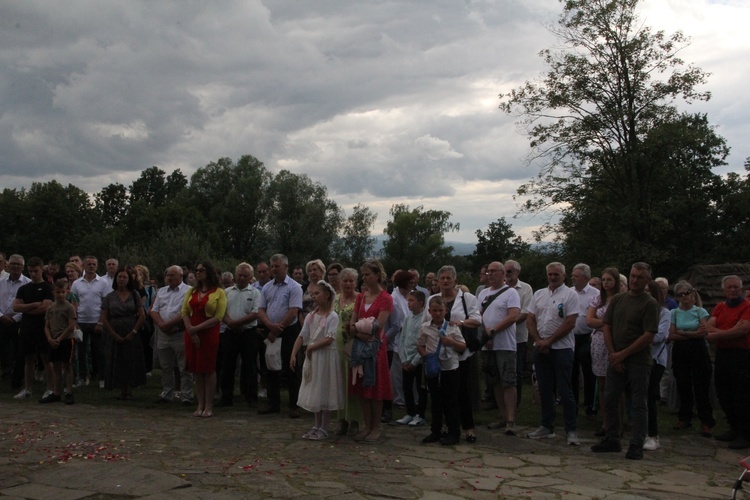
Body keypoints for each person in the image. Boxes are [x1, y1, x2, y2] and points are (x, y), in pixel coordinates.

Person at [591, 262, 660, 460]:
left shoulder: (649, 303)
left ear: (647, 280)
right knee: (610, 398)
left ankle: (636, 443)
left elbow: (648, 335)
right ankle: (612, 438)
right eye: (633, 276)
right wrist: (614, 354)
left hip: (638, 359)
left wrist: (624, 354)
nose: (635, 280)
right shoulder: (619, 299)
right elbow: (607, 326)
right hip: (616, 357)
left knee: (639, 402)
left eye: (640, 277)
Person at [526, 262, 580, 445]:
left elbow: (570, 322)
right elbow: (531, 318)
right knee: (544, 388)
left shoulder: (570, 295)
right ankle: (547, 426)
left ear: (563, 276)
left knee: (565, 390)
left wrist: (549, 341)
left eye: (556, 274)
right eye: (550, 274)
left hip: (562, 348)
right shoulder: (539, 294)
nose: (552, 277)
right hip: (541, 347)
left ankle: (571, 429)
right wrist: (538, 339)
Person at [432, 265, 482, 443]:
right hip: (440, 353)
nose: (445, 281)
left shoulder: (467, 298)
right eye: (442, 278)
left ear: (455, 280)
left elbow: (477, 320)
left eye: (448, 278)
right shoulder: (433, 299)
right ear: (437, 281)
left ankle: (468, 428)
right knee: (444, 391)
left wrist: (459, 323)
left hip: (461, 351)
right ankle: (448, 425)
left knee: (462, 391)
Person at [291, 280, 344, 440]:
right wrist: (293, 353)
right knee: (315, 389)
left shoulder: (332, 316)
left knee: (325, 389)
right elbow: (302, 335)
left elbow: (329, 338)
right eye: (313, 294)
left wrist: (312, 347)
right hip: (314, 358)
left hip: (325, 357)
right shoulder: (311, 316)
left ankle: (324, 427)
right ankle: (316, 424)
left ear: (327, 295)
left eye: (317, 294)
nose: (314, 297)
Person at [347, 259, 393, 443]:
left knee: (375, 387)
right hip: (360, 345)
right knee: (362, 388)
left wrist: (357, 330)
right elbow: (353, 320)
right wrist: (356, 331)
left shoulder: (386, 298)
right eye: (363, 275)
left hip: (375, 348)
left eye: (367, 275)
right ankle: (367, 425)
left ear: (377, 276)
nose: (364, 278)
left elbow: (378, 325)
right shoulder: (360, 297)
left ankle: (377, 427)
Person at [706, 275, 750, 450]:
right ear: (724, 290)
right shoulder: (719, 307)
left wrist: (717, 335)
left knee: (742, 394)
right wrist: (731, 331)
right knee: (724, 392)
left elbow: (744, 329)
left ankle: (745, 433)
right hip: (723, 354)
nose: (733, 290)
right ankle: (734, 428)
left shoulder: (747, 306)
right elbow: (707, 327)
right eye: (729, 287)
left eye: (736, 288)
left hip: (742, 355)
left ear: (741, 289)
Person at [258, 254, 303, 418]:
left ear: (286, 267)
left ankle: (294, 404)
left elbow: (294, 311)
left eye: (277, 266)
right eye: (272, 266)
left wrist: (278, 328)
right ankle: (273, 402)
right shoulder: (267, 287)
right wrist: (270, 325)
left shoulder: (294, 287)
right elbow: (261, 309)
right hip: (270, 330)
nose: (274, 269)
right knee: (271, 366)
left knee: (291, 367)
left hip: (289, 331)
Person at [478, 262, 520, 436]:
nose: (490, 274)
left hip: (504, 344)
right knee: (494, 381)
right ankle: (502, 416)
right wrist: (484, 334)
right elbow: (478, 315)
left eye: (493, 271)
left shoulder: (511, 293)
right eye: (488, 271)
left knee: (508, 381)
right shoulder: (483, 293)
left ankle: (511, 419)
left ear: (503, 274)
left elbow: (513, 316)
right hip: (488, 345)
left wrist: (493, 331)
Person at [418, 295, 466, 446]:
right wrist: (426, 356)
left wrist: (451, 342)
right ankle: (436, 430)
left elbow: (463, 346)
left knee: (451, 401)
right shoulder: (425, 327)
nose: (438, 313)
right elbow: (420, 344)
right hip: (434, 369)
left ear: (445, 311)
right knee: (436, 401)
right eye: (434, 310)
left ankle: (454, 432)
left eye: (440, 310)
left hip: (450, 368)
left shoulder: (452, 327)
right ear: (430, 311)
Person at [669, 281, 714, 436]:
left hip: (698, 350)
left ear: (692, 293)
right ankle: (685, 417)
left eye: (686, 293)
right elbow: (671, 334)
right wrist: (691, 333)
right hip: (681, 351)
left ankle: (706, 420)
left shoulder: (700, 311)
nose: (683, 297)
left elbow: (703, 332)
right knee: (683, 383)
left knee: (701, 385)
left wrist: (684, 333)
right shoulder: (674, 313)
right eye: (680, 294)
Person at [181, 261, 226, 417]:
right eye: (196, 270)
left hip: (208, 332)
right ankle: (199, 404)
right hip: (191, 331)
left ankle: (208, 405)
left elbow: (218, 316)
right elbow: (184, 311)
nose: (198, 273)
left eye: (201, 270)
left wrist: (197, 329)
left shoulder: (219, 292)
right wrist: (191, 330)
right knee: (197, 369)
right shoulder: (192, 291)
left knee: (208, 368)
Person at [100, 267, 146, 400]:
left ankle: (129, 390)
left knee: (130, 360)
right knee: (117, 360)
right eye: (119, 277)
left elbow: (142, 315)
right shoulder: (110, 296)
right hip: (115, 332)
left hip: (131, 331)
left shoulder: (134, 294)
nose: (121, 279)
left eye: (124, 277)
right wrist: (113, 334)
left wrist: (134, 331)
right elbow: (104, 317)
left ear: (129, 280)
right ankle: (121, 390)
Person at [13, 257, 55, 401]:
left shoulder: (48, 288)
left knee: (46, 358)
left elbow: (44, 308)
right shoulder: (23, 288)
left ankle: (50, 388)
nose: (33, 274)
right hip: (27, 327)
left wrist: (26, 308)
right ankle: (28, 388)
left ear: (42, 270)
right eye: (30, 271)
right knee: (28, 359)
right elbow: (15, 307)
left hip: (43, 328)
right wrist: (34, 305)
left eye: (35, 271)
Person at [150, 266, 193, 404]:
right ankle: (167, 393)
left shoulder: (188, 291)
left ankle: (187, 395)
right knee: (165, 366)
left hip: (178, 332)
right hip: (163, 334)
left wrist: (168, 325)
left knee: (184, 366)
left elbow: (185, 311)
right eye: (168, 275)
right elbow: (154, 310)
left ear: (181, 276)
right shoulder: (161, 291)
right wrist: (161, 325)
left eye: (173, 275)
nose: (169, 277)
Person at [220, 263, 261, 407]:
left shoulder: (255, 293)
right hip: (230, 332)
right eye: (240, 275)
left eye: (245, 275)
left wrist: (236, 323)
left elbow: (256, 313)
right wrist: (231, 323)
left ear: (250, 277)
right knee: (227, 365)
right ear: (235, 275)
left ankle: (251, 397)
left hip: (248, 333)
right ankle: (226, 397)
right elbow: (221, 311)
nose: (242, 278)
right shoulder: (227, 292)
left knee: (250, 366)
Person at [586, 267, 620, 436]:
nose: (606, 283)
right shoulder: (597, 299)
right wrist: (606, 324)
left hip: (616, 342)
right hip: (599, 342)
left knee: (616, 384)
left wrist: (603, 323)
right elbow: (589, 320)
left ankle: (618, 422)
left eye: (609, 280)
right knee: (602, 383)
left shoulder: (621, 299)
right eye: (604, 280)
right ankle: (605, 422)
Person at [70, 256, 110, 389]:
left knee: (100, 351)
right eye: (89, 264)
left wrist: (101, 322)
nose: (91, 266)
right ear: (84, 266)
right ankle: (82, 377)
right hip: (81, 321)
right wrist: (75, 321)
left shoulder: (103, 283)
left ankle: (102, 378)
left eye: (94, 264)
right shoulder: (76, 283)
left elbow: (105, 304)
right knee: (81, 352)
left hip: (96, 321)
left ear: (97, 266)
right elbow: (74, 303)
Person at [333, 267, 363, 436]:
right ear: (340, 282)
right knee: (339, 384)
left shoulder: (360, 298)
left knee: (353, 383)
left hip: (353, 345)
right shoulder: (335, 299)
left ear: (356, 282)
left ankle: (355, 420)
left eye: (351, 280)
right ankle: (341, 419)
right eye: (345, 280)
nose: (348, 283)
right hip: (336, 346)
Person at [643, 280, 670, 451]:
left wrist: (640, 338)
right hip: (637, 357)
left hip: (655, 359)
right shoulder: (637, 310)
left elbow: (660, 335)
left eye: (648, 290)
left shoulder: (664, 313)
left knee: (650, 395)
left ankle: (653, 434)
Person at [570, 263, 599, 415]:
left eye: (576, 275)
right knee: (572, 371)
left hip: (588, 337)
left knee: (589, 372)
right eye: (572, 275)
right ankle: (572, 402)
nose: (572, 278)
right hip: (570, 336)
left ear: (585, 277)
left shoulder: (595, 293)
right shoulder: (568, 292)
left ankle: (589, 403)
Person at [504, 260, 534, 407]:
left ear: (517, 273)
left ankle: (516, 402)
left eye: (509, 271)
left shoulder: (526, 289)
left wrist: (505, 323)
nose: (506, 274)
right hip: (500, 336)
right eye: (505, 271)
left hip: (518, 336)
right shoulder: (499, 288)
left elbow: (525, 313)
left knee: (517, 370)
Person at [397, 290, 427, 427]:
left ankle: (420, 414)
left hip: (418, 360)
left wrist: (415, 361)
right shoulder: (408, 318)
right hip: (406, 358)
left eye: (411, 301)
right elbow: (402, 338)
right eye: (408, 301)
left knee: (420, 389)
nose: (408, 303)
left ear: (420, 303)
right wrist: (404, 359)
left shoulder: (425, 319)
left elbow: (423, 342)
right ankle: (410, 412)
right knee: (406, 387)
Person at [44, 279, 77, 404]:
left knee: (67, 365)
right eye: (58, 292)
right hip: (53, 339)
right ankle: (56, 392)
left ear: (67, 292)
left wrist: (59, 338)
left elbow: (71, 326)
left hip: (66, 340)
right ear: (54, 293)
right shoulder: (51, 307)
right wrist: (49, 338)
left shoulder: (69, 307)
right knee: (56, 367)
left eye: (63, 292)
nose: (60, 295)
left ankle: (68, 391)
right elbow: (46, 325)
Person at [1, 254, 30, 391]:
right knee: (3, 349)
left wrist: (15, 318)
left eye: (18, 264)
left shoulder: (28, 284)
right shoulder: (0, 283)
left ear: (23, 267)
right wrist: (1, 316)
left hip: (19, 321)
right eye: (13, 264)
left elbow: (28, 306)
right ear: (8, 265)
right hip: (1, 320)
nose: (15, 266)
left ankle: (17, 380)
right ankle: (5, 374)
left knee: (19, 352)